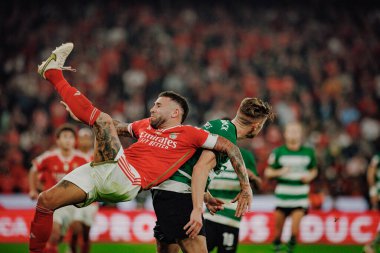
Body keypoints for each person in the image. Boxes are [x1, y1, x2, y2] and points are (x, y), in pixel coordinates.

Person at [29, 42, 251, 253]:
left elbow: (230, 147)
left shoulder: (190, 133)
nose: (152, 108)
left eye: (158, 105)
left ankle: (52, 73)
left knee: (102, 120)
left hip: (127, 178)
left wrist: (245, 187)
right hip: (101, 169)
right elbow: (115, 128)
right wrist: (83, 117)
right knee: (45, 201)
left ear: (175, 113)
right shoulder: (145, 125)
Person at [151, 100, 273, 253]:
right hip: (179, 195)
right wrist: (196, 209)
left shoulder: (220, 125)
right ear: (257, 126)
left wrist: (205, 195)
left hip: (167, 191)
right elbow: (200, 168)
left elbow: (190, 162)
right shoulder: (227, 136)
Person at [28, 124, 88, 253]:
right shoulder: (49, 157)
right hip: (55, 204)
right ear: (58, 140)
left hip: (74, 203)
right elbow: (33, 170)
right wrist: (32, 189)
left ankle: (68, 248)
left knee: (76, 231)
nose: (68, 140)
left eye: (71, 137)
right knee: (54, 234)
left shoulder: (83, 158)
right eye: (65, 137)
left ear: (75, 140)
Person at [264, 122, 318, 253]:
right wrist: (280, 172)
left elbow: (314, 170)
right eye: (291, 131)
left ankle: (290, 248)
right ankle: (277, 246)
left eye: (296, 131)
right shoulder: (278, 152)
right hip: (282, 196)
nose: (293, 133)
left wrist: (310, 176)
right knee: (278, 232)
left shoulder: (309, 152)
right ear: (285, 134)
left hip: (300, 196)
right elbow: (268, 172)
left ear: (301, 135)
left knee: (294, 231)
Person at [204, 146, 262, 253]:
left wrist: (253, 177)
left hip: (232, 218)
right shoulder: (211, 152)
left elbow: (259, 185)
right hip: (209, 215)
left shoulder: (246, 156)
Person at [69, 128, 99, 253]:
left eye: (87, 138)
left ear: (91, 140)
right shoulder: (71, 156)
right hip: (74, 200)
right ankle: (72, 250)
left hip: (91, 200)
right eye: (83, 138)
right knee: (76, 229)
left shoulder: (96, 156)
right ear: (78, 140)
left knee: (86, 233)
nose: (85, 141)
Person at [363, 152, 380, 253]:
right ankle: (370, 246)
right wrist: (373, 190)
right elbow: (371, 172)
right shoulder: (378, 156)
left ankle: (370, 246)